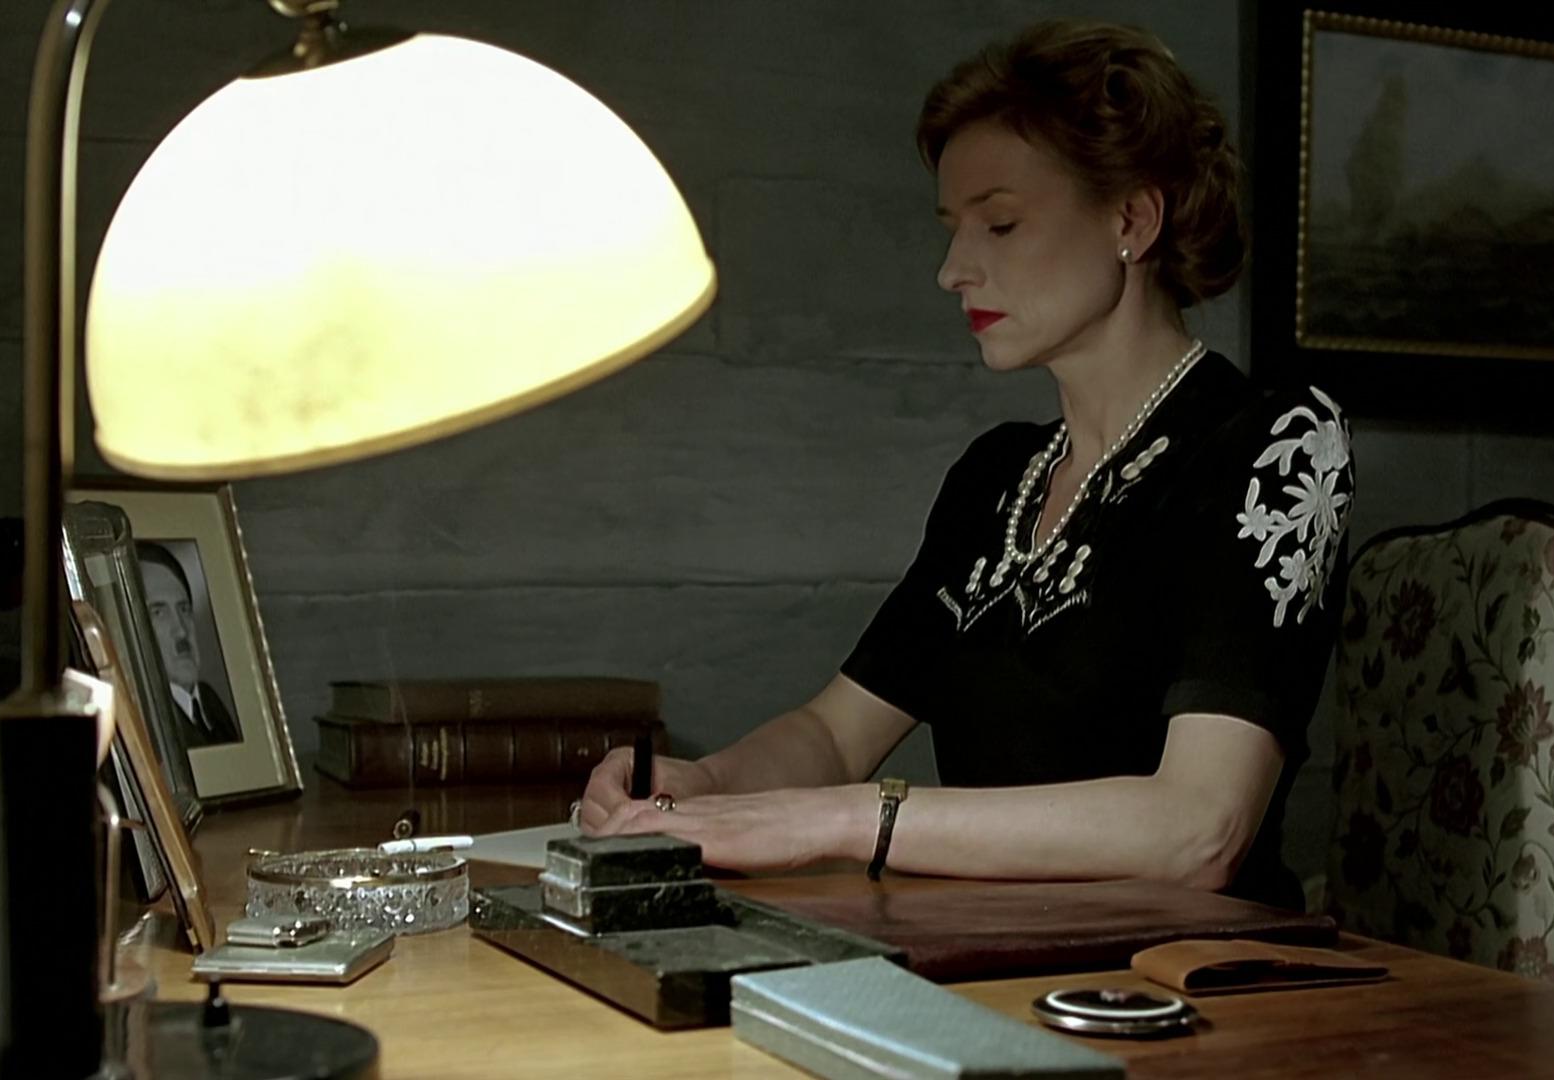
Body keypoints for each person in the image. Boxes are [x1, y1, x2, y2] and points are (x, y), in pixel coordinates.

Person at [579, 20, 1354, 910]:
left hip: (1183, 971)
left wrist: (850, 820)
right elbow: (834, 736)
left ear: (1132, 219)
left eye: (1001, 223)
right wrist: (700, 787)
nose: (953, 270)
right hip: (982, 949)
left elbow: (1198, 830)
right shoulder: (997, 477)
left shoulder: (1274, 443)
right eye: (954, 229)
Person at [136, 542, 242, 748]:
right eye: (159, 613)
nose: (181, 631)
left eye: (184, 609)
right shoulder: (145, 718)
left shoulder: (211, 702)